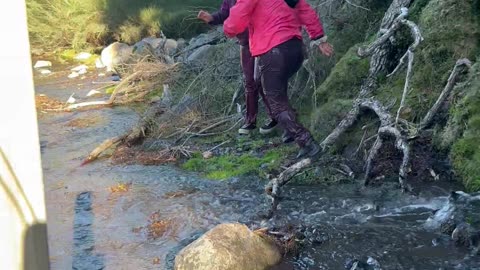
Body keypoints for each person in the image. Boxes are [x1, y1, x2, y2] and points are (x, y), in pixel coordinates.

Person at [223, 0, 334, 158]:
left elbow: (236, 20)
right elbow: (305, 10)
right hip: (295, 49)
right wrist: (319, 38)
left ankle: (307, 142)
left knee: (276, 103)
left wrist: (227, 29)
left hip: (273, 50)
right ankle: (290, 130)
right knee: (269, 87)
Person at [197, 2, 285, 139]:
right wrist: (211, 18)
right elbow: (225, 14)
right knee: (249, 82)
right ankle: (250, 122)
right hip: (245, 44)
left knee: (262, 80)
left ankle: (277, 118)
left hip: (263, 40)